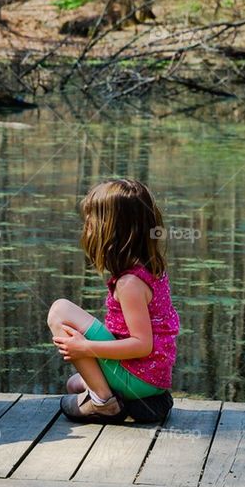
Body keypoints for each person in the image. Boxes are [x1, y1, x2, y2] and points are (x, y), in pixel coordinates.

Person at [47, 179, 179, 423]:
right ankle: (117, 399)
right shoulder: (149, 270)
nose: (86, 227)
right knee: (74, 383)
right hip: (151, 378)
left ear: (112, 230)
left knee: (59, 310)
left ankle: (104, 402)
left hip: (140, 376)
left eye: (90, 221)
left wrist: (86, 348)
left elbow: (142, 345)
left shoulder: (130, 284)